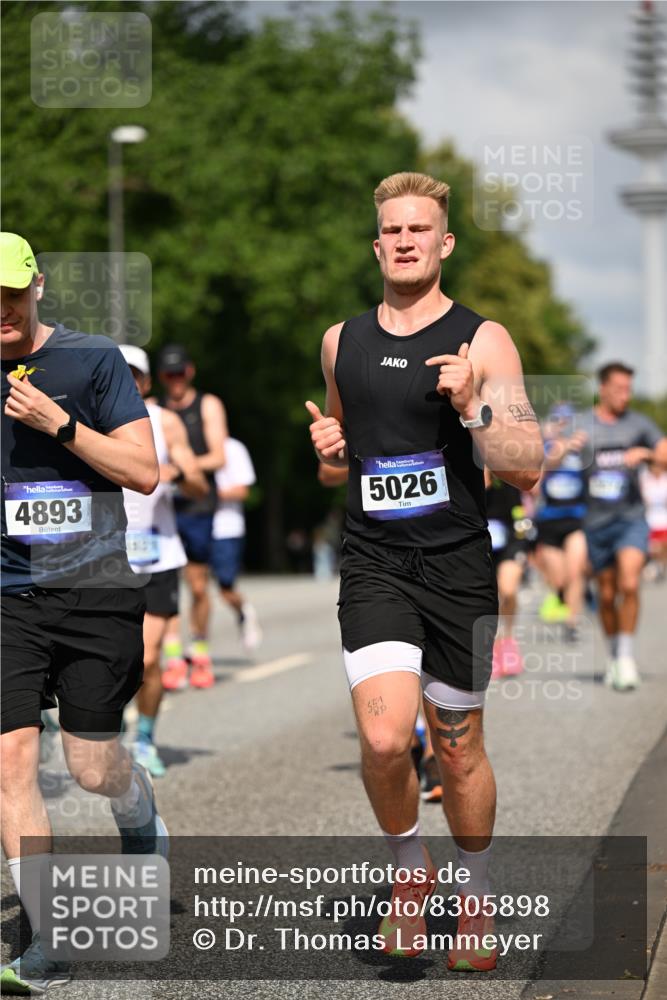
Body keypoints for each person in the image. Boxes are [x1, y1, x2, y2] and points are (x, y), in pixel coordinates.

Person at [305, 172, 543, 973]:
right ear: (377, 245)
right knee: (381, 737)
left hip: (457, 566)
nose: (404, 241)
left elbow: (523, 467)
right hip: (374, 562)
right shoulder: (341, 341)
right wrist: (329, 457)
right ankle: (411, 880)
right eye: (391, 231)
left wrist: (474, 403)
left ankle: (472, 899)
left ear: (443, 243)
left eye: (419, 230)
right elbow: (341, 458)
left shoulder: (484, 339)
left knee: (457, 750)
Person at [0, 233, 168, 994]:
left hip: (96, 591)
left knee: (92, 767)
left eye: (11, 292)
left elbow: (143, 472)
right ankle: (43, 936)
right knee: (10, 766)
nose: (0, 309)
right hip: (7, 598)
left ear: (36, 288)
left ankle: (136, 814)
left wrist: (57, 425)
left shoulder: (92, 361)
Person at [119, 345, 208, 777]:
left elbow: (198, 486)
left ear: (147, 381)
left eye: (135, 375)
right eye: (119, 374)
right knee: (111, 658)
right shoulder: (87, 419)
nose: (128, 383)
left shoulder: (164, 422)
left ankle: (145, 737)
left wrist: (179, 474)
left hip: (157, 553)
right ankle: (110, 725)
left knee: (148, 658)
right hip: (106, 557)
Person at [575, 363, 667, 690]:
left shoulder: (640, 424)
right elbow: (549, 458)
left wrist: (647, 455)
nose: (625, 395)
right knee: (607, 592)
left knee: (629, 582)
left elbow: (665, 455)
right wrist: (565, 449)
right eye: (619, 388)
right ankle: (614, 653)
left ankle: (626, 657)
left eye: (629, 388)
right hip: (596, 522)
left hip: (630, 517)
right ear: (603, 389)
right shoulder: (583, 424)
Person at [158, 344, 227, 690]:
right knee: (167, 583)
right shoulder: (156, 411)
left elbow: (218, 457)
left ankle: (199, 650)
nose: (175, 381)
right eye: (169, 375)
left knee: (198, 585)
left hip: (197, 503)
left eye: (180, 373)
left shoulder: (208, 405)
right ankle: (173, 657)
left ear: (191, 372)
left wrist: (181, 469)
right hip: (163, 506)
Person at [533, 404, 588, 641]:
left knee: (576, 572)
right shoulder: (545, 448)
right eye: (559, 421)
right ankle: (565, 597)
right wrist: (563, 448)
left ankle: (572, 622)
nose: (563, 426)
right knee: (559, 578)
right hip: (549, 520)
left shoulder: (583, 450)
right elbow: (547, 465)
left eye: (567, 421)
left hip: (575, 518)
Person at [210, 436, 262, 651]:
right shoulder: (183, 444)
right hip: (191, 525)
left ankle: (244, 611)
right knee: (196, 588)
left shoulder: (233, 448)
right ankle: (197, 644)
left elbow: (242, 490)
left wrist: (206, 493)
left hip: (225, 528)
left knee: (225, 588)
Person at [484, 469, 530, 676]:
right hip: (478, 542)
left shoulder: (504, 469)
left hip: (511, 538)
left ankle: (508, 640)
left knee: (508, 589)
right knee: (486, 598)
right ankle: (490, 648)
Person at [640, 459, 667, 582]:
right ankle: (654, 565)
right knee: (654, 548)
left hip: (664, 519)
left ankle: (660, 566)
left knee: (664, 547)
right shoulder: (644, 477)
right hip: (649, 519)